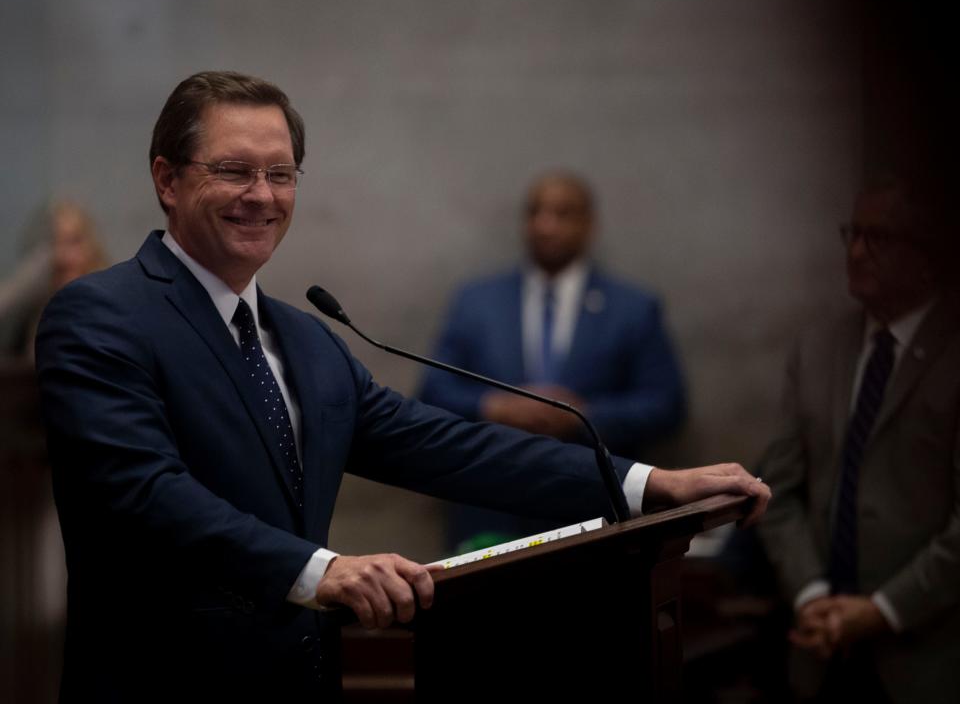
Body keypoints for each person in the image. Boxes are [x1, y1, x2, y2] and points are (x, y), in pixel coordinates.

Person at [35, 71, 769, 701]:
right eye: (233, 170)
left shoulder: (306, 337)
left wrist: (645, 485)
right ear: (167, 178)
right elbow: (142, 492)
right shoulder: (101, 314)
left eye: (281, 174)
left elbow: (452, 447)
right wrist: (320, 571)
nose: (261, 195)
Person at [756, 176, 960, 703]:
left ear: (928, 251)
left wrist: (882, 610)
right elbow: (777, 490)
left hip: (927, 653)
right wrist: (813, 595)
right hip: (819, 648)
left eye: (879, 237)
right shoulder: (818, 348)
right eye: (852, 233)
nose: (856, 251)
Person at [418, 171, 685, 548]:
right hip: (489, 506)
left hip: (593, 508)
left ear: (589, 224)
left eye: (563, 213)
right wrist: (496, 406)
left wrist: (583, 416)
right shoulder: (477, 301)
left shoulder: (633, 308)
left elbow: (666, 404)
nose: (545, 226)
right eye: (535, 212)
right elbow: (432, 390)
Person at [0, 200, 107, 359]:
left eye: (74, 241)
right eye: (55, 243)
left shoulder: (108, 306)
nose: (63, 256)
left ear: (91, 246)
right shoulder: (38, 310)